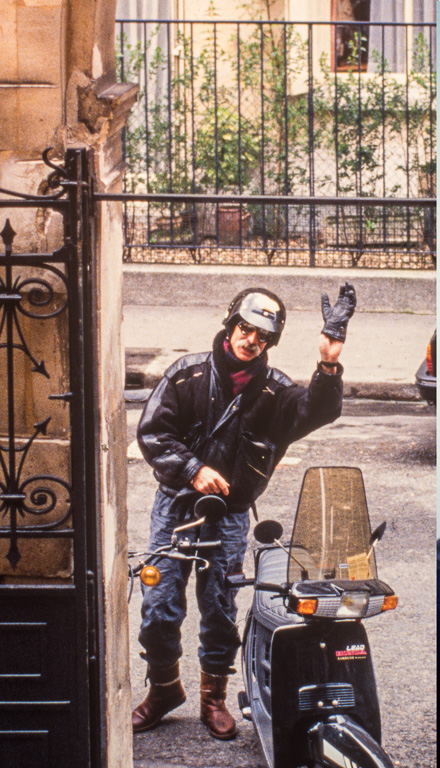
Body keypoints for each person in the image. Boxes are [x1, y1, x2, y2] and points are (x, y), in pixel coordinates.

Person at [131, 284, 354, 740]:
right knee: (159, 605)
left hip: (229, 515)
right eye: (245, 328)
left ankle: (213, 697)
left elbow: (320, 409)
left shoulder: (276, 391)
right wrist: (193, 469)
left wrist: (329, 360)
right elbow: (153, 433)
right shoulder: (185, 374)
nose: (250, 339)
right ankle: (164, 689)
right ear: (230, 324)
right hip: (176, 506)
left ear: (270, 342)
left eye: (262, 335)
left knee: (217, 606)